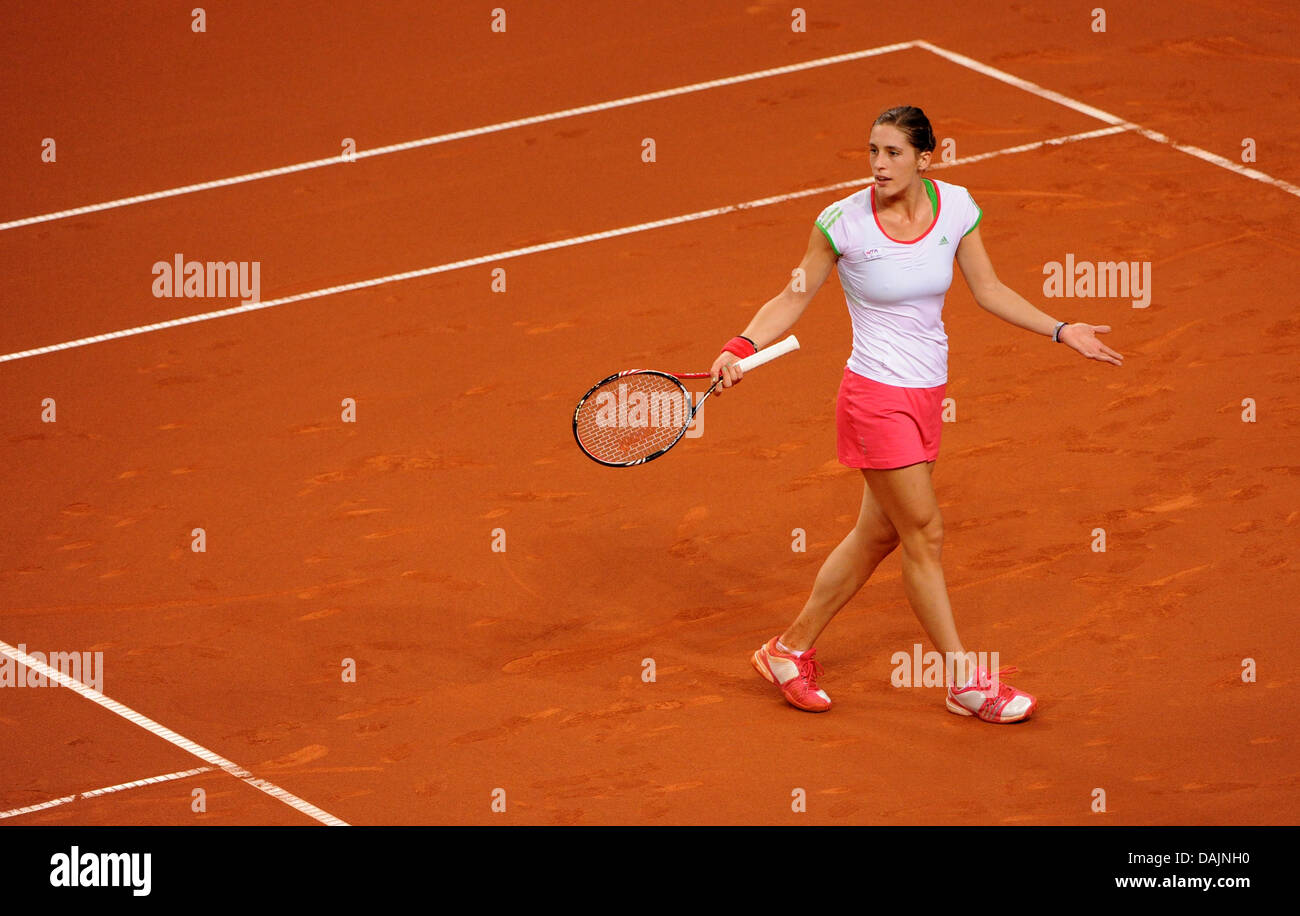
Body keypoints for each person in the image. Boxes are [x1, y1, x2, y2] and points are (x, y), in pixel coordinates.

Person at [710, 105, 1123, 724]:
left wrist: (1062, 329)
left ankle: (786, 651)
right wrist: (740, 346)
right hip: (874, 397)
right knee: (923, 532)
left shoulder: (956, 207)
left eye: (893, 153)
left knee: (878, 533)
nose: (878, 164)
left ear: (925, 158)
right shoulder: (841, 223)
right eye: (872, 151)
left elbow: (989, 290)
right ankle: (964, 681)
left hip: (927, 395)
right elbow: (792, 294)